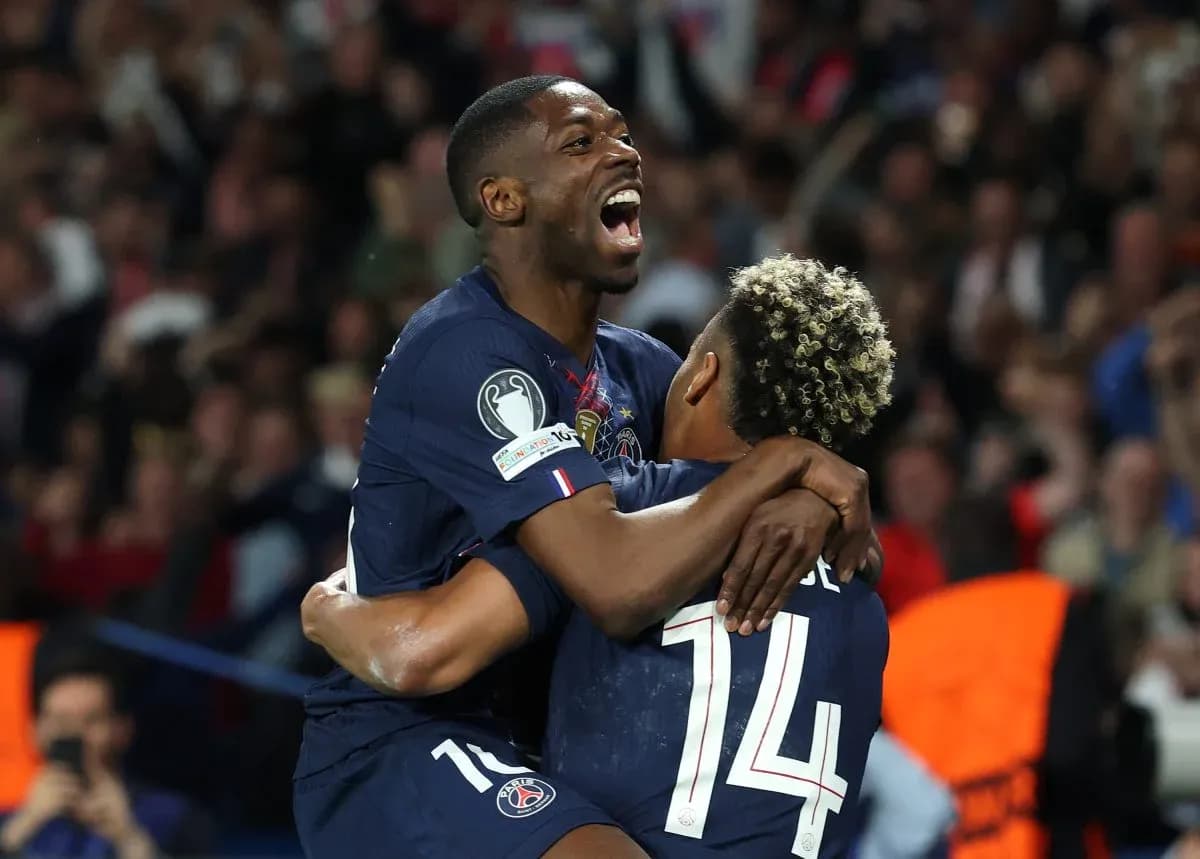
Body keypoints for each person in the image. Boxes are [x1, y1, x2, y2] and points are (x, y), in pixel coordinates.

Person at [294, 75, 879, 859]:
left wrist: (807, 497)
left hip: (544, 744)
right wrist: (788, 462)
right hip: (405, 738)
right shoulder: (464, 353)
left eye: (624, 135)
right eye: (581, 142)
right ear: (504, 200)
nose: (623, 153)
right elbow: (614, 581)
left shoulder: (640, 368)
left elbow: (718, 472)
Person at [0, 649, 210, 858]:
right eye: (61, 721)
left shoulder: (173, 817)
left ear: (123, 729)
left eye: (91, 720)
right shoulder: (11, 824)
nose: (75, 734)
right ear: (34, 730)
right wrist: (23, 826)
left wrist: (128, 837)